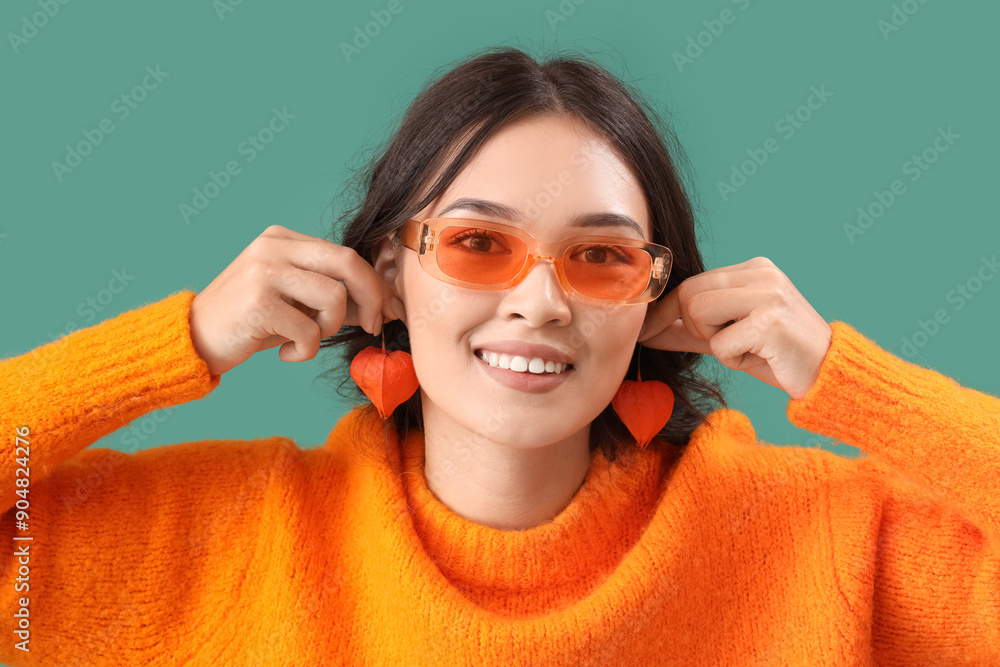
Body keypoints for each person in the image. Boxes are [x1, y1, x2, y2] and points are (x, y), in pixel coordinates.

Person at [1, 46, 998, 666]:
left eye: (600, 257)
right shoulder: (225, 538)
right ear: (386, 269)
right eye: (479, 243)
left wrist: (843, 377)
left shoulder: (815, 541)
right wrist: (182, 344)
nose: (540, 299)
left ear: (658, 297)